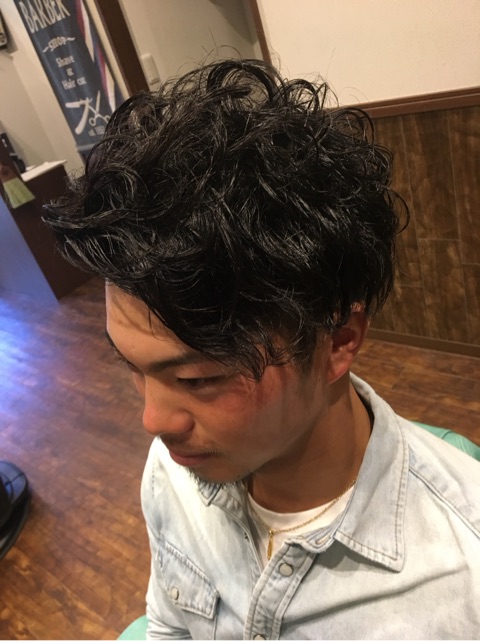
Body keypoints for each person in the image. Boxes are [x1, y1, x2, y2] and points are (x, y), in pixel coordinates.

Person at [44, 59, 480, 639]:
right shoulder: (173, 471)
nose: (154, 422)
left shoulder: (462, 577)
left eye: (197, 379)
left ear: (339, 342)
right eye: (135, 368)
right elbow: (171, 625)